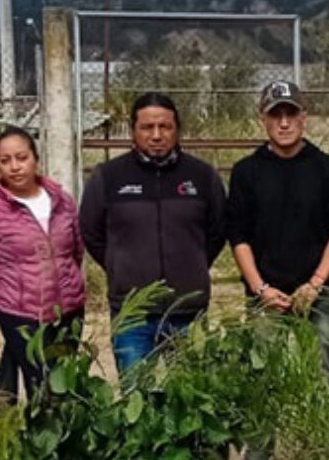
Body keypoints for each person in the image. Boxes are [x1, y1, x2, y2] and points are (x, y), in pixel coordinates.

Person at [78, 92, 226, 373]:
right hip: (132, 313)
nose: (156, 135)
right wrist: (119, 266)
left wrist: (191, 265)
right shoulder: (108, 177)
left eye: (165, 127)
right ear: (133, 131)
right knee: (136, 398)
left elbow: (217, 231)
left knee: (189, 399)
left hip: (187, 311)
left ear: (177, 129)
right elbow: (91, 232)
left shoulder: (202, 176)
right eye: (147, 127)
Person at [226, 80, 329, 365]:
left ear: (303, 118)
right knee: (264, 380)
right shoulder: (246, 172)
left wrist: (315, 284)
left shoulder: (327, 168)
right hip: (266, 296)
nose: (284, 123)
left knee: (321, 374)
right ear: (263, 119)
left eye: (291, 114)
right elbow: (238, 236)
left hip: (317, 294)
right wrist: (260, 288)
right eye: (275, 115)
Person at [0, 127, 87, 399]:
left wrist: (71, 288)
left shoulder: (62, 201)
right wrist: (1, 312)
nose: (14, 167)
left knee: (66, 384)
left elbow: (76, 251)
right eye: (5, 160)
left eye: (21, 157)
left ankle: (64, 441)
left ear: (36, 158)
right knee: (41, 389)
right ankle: (35, 440)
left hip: (68, 311)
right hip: (21, 316)